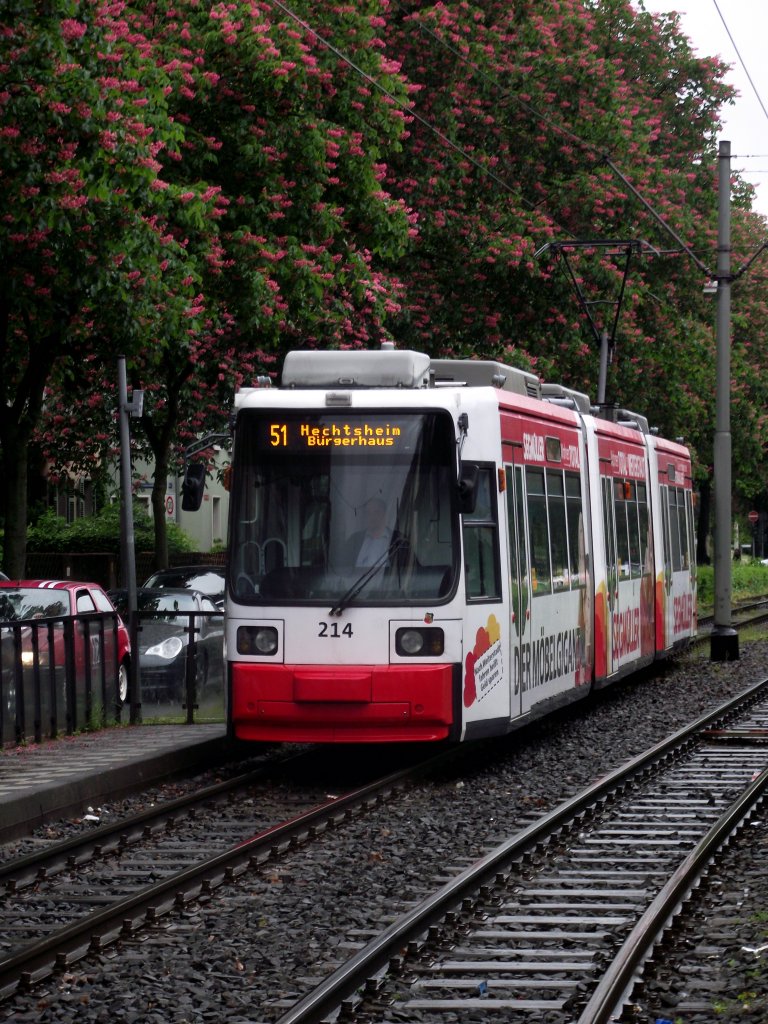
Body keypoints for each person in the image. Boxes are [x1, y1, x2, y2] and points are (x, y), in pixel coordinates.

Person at [348, 497, 393, 567]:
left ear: (385, 515)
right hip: (358, 578)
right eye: (368, 513)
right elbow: (342, 568)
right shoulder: (354, 540)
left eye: (377, 512)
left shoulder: (398, 540)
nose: (372, 516)